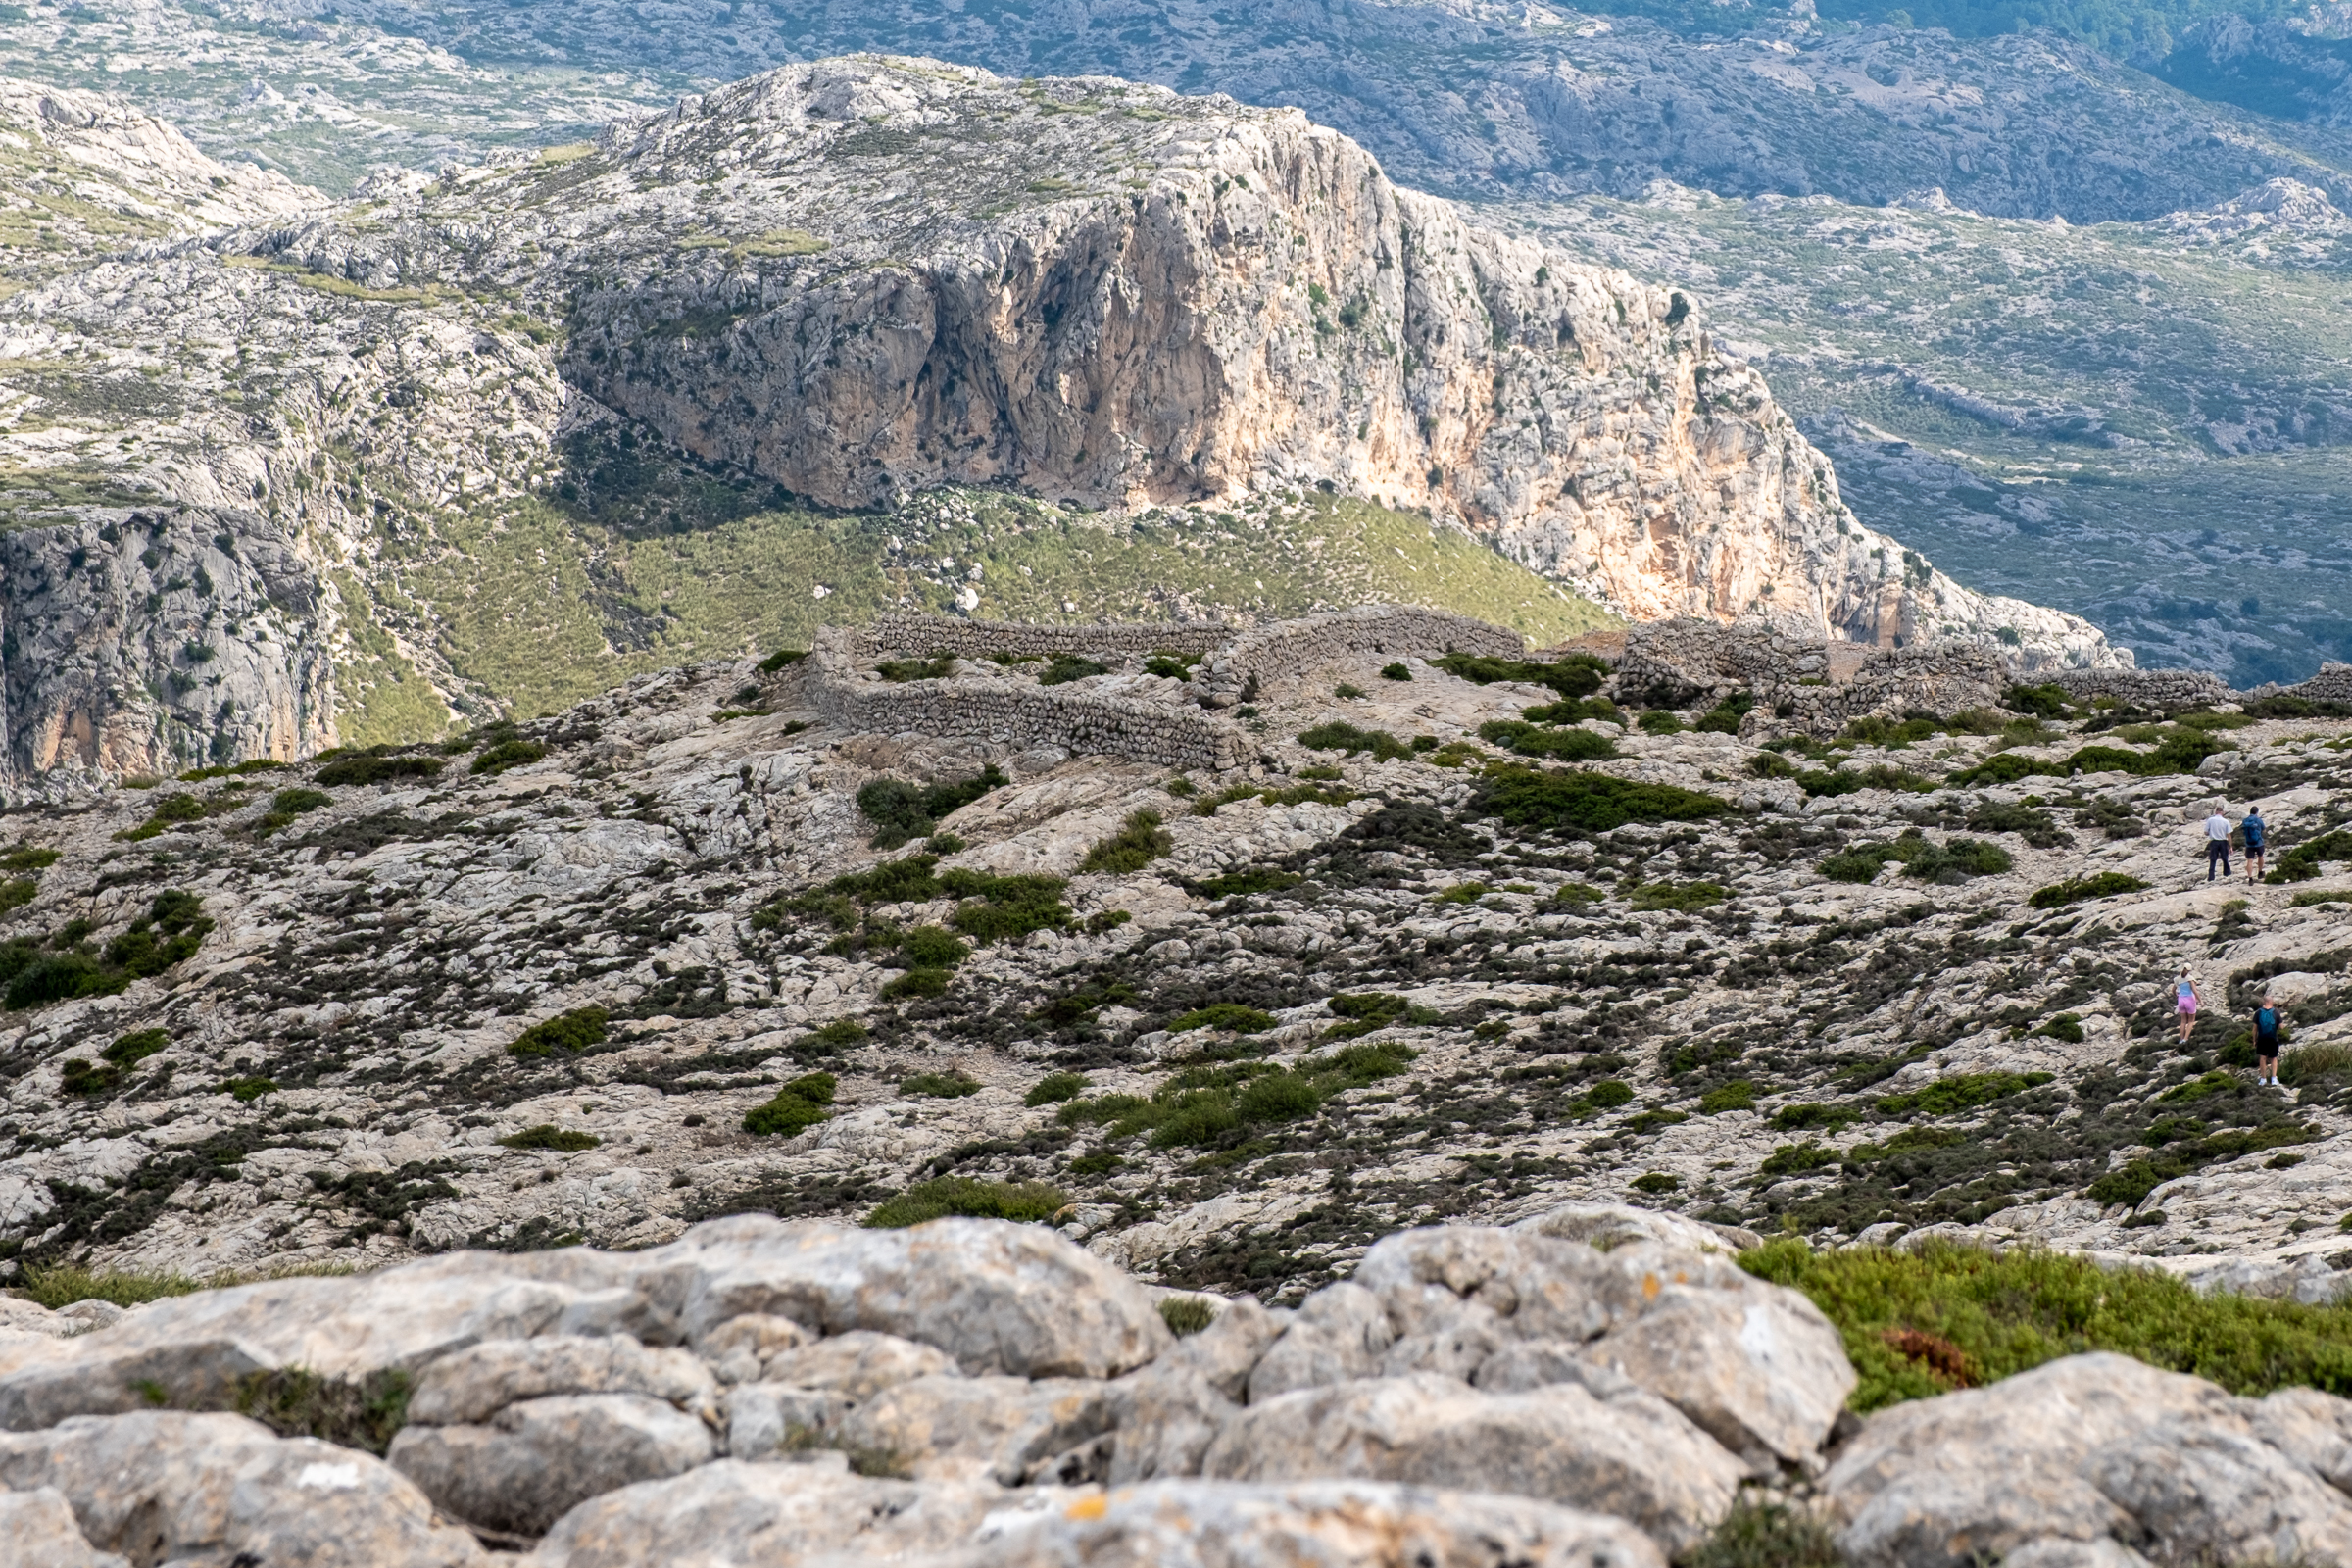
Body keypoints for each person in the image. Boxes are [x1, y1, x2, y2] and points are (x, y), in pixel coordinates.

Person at [2255, 991, 2283, 1086]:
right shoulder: (2276, 1012)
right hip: (2273, 1038)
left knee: (2262, 1058)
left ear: (2264, 1001)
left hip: (2262, 1038)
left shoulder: (2258, 1012)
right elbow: (2281, 1027)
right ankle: (2274, 1079)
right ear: (2271, 1001)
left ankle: (2263, 1079)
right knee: (2273, 1058)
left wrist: (2254, 1039)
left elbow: (2254, 1028)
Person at [2204, 807, 2232, 882]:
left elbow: (2206, 832)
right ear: (2222, 812)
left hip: (2214, 841)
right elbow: (2228, 834)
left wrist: (2210, 832)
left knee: (2213, 859)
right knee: (2225, 858)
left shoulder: (2210, 820)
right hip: (2223, 841)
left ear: (2215, 812)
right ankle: (2227, 873)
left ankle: (2211, 877)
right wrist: (2230, 846)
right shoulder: (2226, 821)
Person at [2242, 805, 2268, 884]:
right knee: (2260, 856)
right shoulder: (2258, 820)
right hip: (2258, 842)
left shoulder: (2245, 820)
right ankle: (2260, 872)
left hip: (2249, 843)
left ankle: (2250, 878)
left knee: (2250, 860)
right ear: (2256, 812)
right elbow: (2264, 829)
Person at [2176, 967, 2201, 1046]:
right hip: (2190, 1000)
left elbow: (2173, 990)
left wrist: (2176, 996)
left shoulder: (2177, 979)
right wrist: (2200, 1000)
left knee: (2183, 1021)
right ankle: (2186, 1039)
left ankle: (2181, 1039)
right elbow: (2194, 990)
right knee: (2191, 1021)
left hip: (2181, 1000)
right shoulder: (2190, 978)